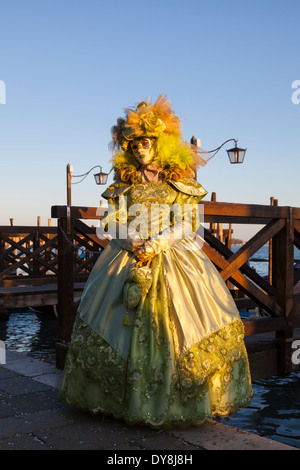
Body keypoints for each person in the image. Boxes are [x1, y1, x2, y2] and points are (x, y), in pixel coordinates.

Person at [58, 95, 253, 428]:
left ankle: (176, 402)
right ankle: (120, 401)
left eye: (145, 142)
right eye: (133, 144)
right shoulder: (124, 186)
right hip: (126, 258)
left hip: (174, 259)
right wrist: (131, 240)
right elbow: (110, 221)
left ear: (160, 143)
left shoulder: (180, 184)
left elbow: (189, 222)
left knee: (184, 325)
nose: (138, 149)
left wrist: (158, 243)